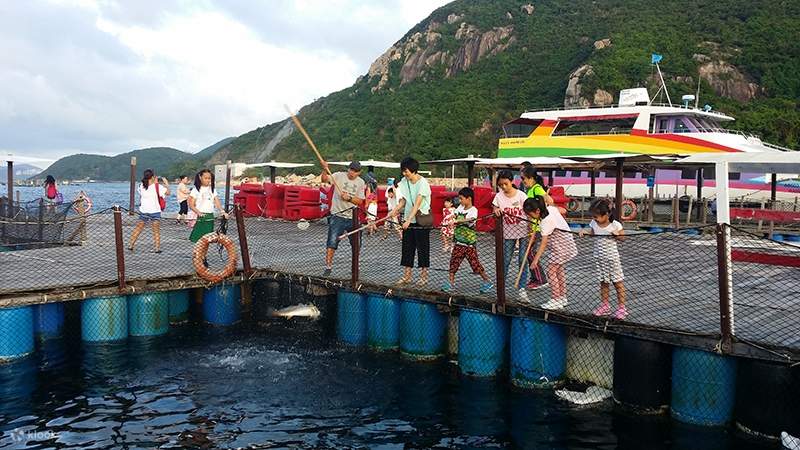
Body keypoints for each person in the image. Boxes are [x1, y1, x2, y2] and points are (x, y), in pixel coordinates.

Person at [524, 196, 577, 310]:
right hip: (567, 245)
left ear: (538, 211)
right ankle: (562, 297)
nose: (529, 217)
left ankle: (555, 299)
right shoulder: (551, 209)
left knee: (551, 271)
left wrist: (535, 260)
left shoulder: (545, 222)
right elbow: (563, 210)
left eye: (530, 214)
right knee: (559, 271)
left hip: (560, 248)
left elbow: (543, 244)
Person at [389, 157, 432, 286]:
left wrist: (408, 220)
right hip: (408, 218)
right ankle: (407, 276)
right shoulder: (404, 181)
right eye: (403, 171)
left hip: (421, 219)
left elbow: (417, 204)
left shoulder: (423, 183)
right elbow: (404, 200)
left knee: (422, 248)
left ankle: (424, 277)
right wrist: (395, 210)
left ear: (413, 170)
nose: (404, 174)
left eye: (406, 171)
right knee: (407, 248)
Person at [581, 199, 627, 319]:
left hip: (612, 258)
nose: (594, 218)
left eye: (596, 216)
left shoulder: (615, 224)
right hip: (599, 257)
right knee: (603, 282)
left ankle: (622, 307)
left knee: (618, 282)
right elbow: (592, 232)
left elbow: (623, 238)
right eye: (593, 216)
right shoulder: (594, 223)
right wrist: (585, 231)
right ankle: (605, 305)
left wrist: (617, 235)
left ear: (606, 214)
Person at [442, 188, 493, 294]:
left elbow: (471, 220)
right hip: (458, 242)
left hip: (469, 244)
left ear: (469, 198)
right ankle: (451, 283)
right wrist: (450, 221)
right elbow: (454, 216)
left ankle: (487, 281)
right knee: (453, 262)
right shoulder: (459, 208)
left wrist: (458, 221)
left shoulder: (473, 210)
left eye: (461, 199)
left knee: (475, 264)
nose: (459, 201)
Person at [321, 161, 365, 276]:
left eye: (355, 171)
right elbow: (324, 180)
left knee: (357, 243)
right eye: (351, 170)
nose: (352, 173)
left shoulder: (361, 182)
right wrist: (325, 169)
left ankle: (355, 267)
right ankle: (328, 267)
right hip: (337, 215)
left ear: (359, 172)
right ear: (348, 169)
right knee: (332, 241)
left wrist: (349, 198)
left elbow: (360, 200)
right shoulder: (338, 175)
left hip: (353, 217)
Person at [493, 170, 531, 301]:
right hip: (507, 232)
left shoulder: (521, 195)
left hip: (523, 231)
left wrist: (532, 228)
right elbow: (494, 207)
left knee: (522, 259)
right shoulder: (498, 196)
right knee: (506, 259)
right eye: (500, 185)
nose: (503, 187)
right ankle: (501, 286)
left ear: (512, 182)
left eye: (506, 184)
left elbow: (529, 210)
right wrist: (496, 210)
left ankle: (522, 289)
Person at [521, 166, 553, 289]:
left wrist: (541, 213)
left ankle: (540, 279)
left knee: (530, 253)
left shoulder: (537, 189)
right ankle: (535, 277)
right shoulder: (529, 190)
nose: (523, 181)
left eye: (524, 178)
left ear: (531, 178)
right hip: (531, 227)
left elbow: (549, 200)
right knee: (528, 253)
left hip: (538, 228)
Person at [188, 169, 227, 257]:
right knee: (199, 240)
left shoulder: (212, 189)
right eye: (206, 178)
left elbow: (216, 201)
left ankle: (204, 257)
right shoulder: (196, 190)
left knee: (207, 240)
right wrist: (198, 212)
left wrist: (222, 211)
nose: (208, 180)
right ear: (200, 177)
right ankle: (198, 258)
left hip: (210, 216)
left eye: (209, 178)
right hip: (201, 217)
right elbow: (191, 204)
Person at [128, 169, 169, 253]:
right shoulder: (158, 187)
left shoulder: (141, 186)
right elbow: (168, 193)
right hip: (155, 211)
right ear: (153, 177)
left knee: (138, 228)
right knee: (156, 231)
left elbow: (141, 192)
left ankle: (131, 244)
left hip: (144, 211)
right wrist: (166, 184)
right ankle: (157, 248)